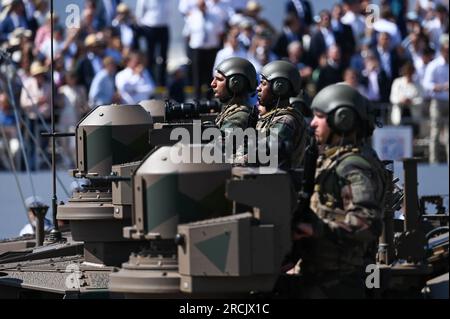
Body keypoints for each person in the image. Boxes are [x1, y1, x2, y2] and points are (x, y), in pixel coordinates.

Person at [290, 83, 387, 298]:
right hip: (324, 277)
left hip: (341, 282)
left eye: (319, 116)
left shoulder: (352, 166)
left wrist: (317, 229)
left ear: (342, 119)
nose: (312, 123)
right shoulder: (333, 159)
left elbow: (367, 223)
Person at [255, 60, 308, 169]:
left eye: (264, 84)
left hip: (280, 182)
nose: (258, 88)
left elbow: (263, 154)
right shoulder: (271, 116)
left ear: (279, 88)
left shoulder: (286, 120)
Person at [212, 57, 258, 132]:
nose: (213, 84)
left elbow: (221, 142)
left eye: (219, 79)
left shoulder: (239, 117)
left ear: (235, 84)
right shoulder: (231, 111)